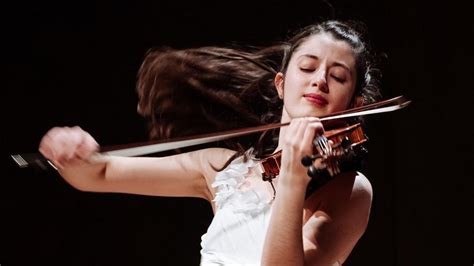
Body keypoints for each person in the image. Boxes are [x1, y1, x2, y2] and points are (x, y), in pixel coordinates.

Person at [39, 19, 383, 265]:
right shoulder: (223, 167)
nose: (320, 80)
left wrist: (294, 175)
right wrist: (73, 153)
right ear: (281, 84)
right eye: (307, 67)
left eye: (338, 76)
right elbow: (98, 175)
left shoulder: (349, 190)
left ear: (354, 105)